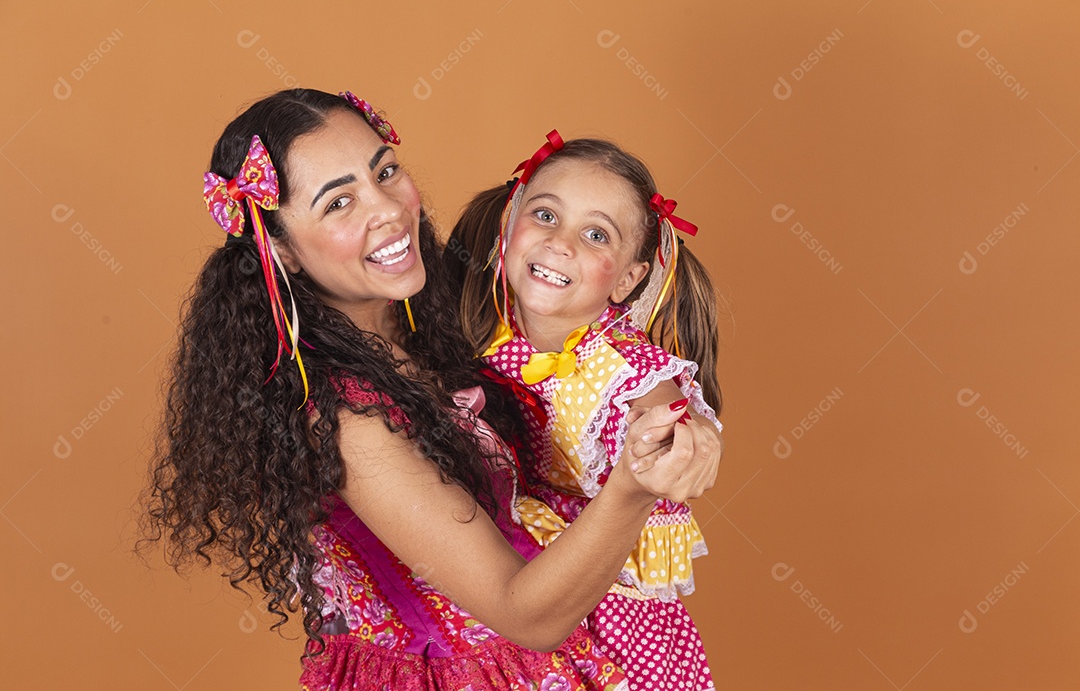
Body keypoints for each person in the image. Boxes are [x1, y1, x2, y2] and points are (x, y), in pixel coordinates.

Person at [143, 88, 720, 691]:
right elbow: (527, 614)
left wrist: (671, 416)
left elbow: (591, 355)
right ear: (281, 248)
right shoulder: (346, 417)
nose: (389, 211)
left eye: (385, 172)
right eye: (339, 202)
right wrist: (633, 487)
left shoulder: (441, 310)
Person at [447, 131, 723, 691]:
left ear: (626, 279)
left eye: (595, 234)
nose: (560, 243)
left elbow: (664, 413)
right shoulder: (483, 331)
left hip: (606, 607)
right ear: (509, 228)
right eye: (545, 215)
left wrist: (680, 440)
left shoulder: (627, 369)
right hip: (515, 578)